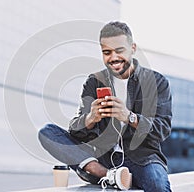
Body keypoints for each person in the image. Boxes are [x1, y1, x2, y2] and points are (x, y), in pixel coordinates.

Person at [38, 21, 172, 191]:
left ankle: (116, 177)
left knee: (158, 184)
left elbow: (163, 129)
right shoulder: (94, 82)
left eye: (119, 51)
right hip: (101, 158)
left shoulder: (156, 82)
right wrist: (90, 118)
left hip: (141, 158)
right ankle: (108, 175)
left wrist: (129, 117)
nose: (113, 58)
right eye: (107, 52)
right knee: (47, 132)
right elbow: (75, 131)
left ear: (133, 48)